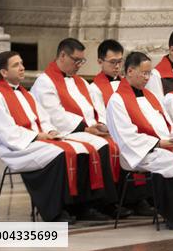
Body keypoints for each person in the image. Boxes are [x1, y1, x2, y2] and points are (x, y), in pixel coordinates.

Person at [0, 51, 99, 223]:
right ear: (4, 72)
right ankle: (55, 211)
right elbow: (6, 133)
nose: (22, 68)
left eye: (22, 63)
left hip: (37, 141)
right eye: (16, 65)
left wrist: (50, 131)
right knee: (60, 155)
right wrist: (37, 136)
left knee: (81, 149)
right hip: (17, 148)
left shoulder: (26, 94)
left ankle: (78, 206)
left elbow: (44, 119)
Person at [106, 50, 173, 230]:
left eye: (149, 73)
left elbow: (167, 125)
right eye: (144, 73)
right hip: (142, 151)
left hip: (164, 145)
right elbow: (126, 136)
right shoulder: (117, 100)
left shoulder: (150, 96)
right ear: (130, 71)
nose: (147, 78)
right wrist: (159, 143)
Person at [30, 37, 119, 217]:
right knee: (98, 146)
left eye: (82, 61)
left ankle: (112, 200)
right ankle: (89, 204)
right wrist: (86, 129)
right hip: (63, 131)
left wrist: (100, 125)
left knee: (115, 143)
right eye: (76, 60)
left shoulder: (81, 82)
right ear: (63, 55)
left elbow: (95, 108)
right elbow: (55, 115)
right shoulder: (45, 82)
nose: (79, 65)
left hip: (86, 130)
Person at [90, 39, 124, 123]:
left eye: (120, 61)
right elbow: (102, 118)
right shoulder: (94, 89)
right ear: (100, 62)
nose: (117, 66)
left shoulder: (128, 83)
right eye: (113, 62)